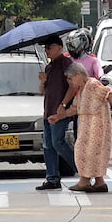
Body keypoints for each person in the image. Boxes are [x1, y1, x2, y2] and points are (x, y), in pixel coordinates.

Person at [54, 61, 112, 192]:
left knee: (88, 151)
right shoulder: (81, 89)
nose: (70, 82)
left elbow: (109, 94)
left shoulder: (93, 84)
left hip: (97, 124)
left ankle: (84, 181)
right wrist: (58, 117)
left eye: (71, 78)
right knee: (87, 151)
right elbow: (75, 109)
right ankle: (99, 182)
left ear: (79, 75)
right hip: (86, 125)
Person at [35, 34, 77, 191]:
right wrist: (43, 81)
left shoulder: (66, 63)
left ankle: (82, 169)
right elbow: (43, 91)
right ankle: (52, 178)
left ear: (59, 47)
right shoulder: (49, 66)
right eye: (45, 48)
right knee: (48, 146)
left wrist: (64, 105)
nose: (46, 51)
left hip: (60, 111)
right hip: (48, 110)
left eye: (49, 47)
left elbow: (73, 86)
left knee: (57, 142)